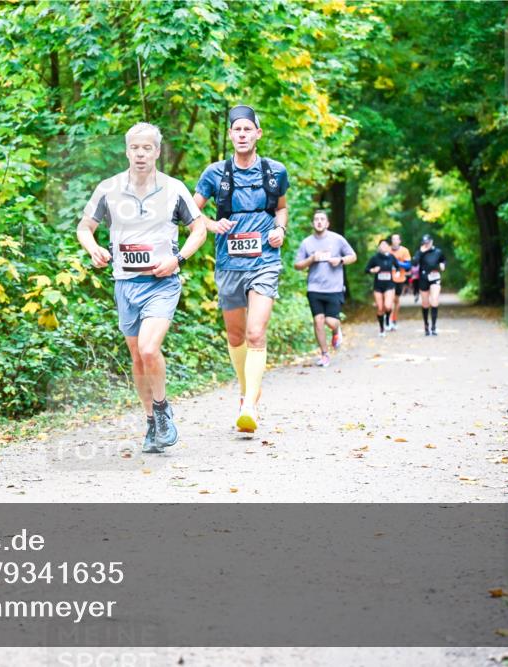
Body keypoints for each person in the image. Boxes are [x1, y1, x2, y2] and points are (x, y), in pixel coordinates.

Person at [77, 122, 208, 453]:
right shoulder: (108, 189)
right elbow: (85, 228)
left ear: (157, 152)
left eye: (147, 148)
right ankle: (151, 422)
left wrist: (178, 259)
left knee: (149, 349)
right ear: (126, 150)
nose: (140, 153)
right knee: (137, 357)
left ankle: (163, 410)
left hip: (161, 283)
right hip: (125, 283)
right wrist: (94, 248)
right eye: (135, 147)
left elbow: (200, 229)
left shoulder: (173, 188)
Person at [193, 104, 289, 433]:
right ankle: (246, 389)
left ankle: (250, 404)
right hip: (229, 264)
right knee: (235, 335)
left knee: (255, 333)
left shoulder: (275, 171)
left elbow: (282, 210)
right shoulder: (214, 174)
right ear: (231, 135)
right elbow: (191, 214)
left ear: (258, 134)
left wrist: (280, 230)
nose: (243, 134)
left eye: (249, 129)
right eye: (238, 130)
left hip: (264, 261)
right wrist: (210, 224)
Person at [294, 209, 356, 368]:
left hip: (334, 287)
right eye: (316, 219)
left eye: (322, 219)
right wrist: (311, 259)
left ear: (327, 223)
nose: (319, 222)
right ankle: (324, 354)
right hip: (314, 287)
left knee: (330, 321)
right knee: (318, 320)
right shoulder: (307, 242)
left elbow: (352, 256)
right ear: (313, 223)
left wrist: (340, 260)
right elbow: (297, 265)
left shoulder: (337, 239)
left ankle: (336, 331)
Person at [413, 233, 447, 335]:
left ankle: (434, 326)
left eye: (427, 243)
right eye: (424, 243)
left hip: (435, 277)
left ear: (432, 242)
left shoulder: (438, 252)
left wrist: (443, 264)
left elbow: (443, 260)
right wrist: (420, 253)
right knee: (425, 303)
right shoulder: (420, 252)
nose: (426, 245)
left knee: (434, 300)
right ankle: (426, 325)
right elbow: (414, 263)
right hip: (423, 278)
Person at [365, 239, 397, 337]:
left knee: (388, 306)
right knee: (380, 308)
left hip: (389, 285)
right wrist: (373, 270)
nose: (383, 247)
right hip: (378, 286)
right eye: (381, 245)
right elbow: (366, 270)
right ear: (378, 247)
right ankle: (382, 329)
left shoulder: (391, 257)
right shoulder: (374, 258)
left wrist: (397, 271)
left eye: (385, 245)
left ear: (388, 247)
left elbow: (398, 266)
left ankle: (387, 319)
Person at [389, 233, 412, 330]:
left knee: (396, 300)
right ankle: (389, 321)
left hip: (400, 278)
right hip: (389, 278)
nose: (394, 241)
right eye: (393, 239)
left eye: (396, 239)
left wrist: (397, 262)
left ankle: (394, 319)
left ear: (399, 241)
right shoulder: (387, 250)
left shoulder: (404, 251)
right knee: (390, 299)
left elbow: (408, 266)